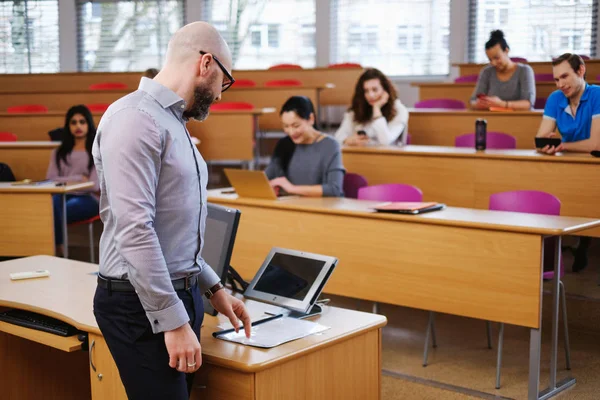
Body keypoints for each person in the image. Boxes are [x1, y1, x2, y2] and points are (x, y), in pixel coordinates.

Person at [91, 22, 251, 400]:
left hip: (179, 295)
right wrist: (173, 320)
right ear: (206, 64)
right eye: (224, 82)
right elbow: (135, 229)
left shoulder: (174, 122)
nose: (221, 96)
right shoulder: (135, 119)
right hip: (140, 304)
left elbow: (172, 230)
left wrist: (212, 287)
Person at [535, 53, 600, 272]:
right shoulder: (555, 98)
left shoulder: (597, 95)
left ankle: (584, 242)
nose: (560, 84)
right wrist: (546, 144)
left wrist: (562, 144)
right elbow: (541, 137)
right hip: (570, 164)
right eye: (556, 79)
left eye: (565, 76)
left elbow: (596, 144)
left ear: (581, 70)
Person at [46, 104, 99, 256]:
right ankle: (60, 247)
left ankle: (58, 249)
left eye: (82, 122)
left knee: (56, 210)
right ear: (68, 126)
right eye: (73, 122)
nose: (78, 126)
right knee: (54, 203)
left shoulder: (96, 151)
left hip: (88, 199)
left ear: (89, 124)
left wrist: (67, 181)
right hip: (62, 196)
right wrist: (78, 179)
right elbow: (50, 180)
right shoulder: (58, 152)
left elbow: (94, 186)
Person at [266, 96, 345, 197]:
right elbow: (268, 177)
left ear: (311, 119)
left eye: (296, 126)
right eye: (286, 126)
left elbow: (334, 189)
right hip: (290, 207)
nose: (291, 132)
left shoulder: (330, 145)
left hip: (319, 208)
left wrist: (292, 189)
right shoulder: (284, 144)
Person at [334, 68, 408, 146]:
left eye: (375, 90)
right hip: (361, 155)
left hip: (389, 156)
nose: (370, 95)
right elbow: (338, 137)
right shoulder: (357, 109)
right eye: (366, 91)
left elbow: (385, 141)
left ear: (385, 90)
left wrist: (376, 108)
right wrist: (348, 140)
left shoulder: (400, 111)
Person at [470, 30, 535, 111]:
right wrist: (478, 104)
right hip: (492, 118)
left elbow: (528, 104)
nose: (493, 63)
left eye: (497, 58)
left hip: (518, 119)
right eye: (490, 59)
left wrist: (501, 104)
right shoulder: (487, 72)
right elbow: (473, 101)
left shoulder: (524, 71)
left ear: (506, 51)